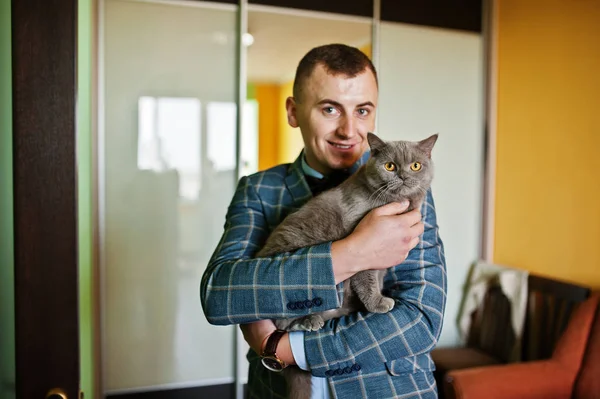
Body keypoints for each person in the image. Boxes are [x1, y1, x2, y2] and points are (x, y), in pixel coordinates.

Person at [201, 43, 447, 398]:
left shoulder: (406, 191)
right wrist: (349, 255)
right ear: (293, 111)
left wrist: (288, 349)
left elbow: (421, 319)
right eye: (330, 109)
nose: (350, 130)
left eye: (363, 110)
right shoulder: (259, 190)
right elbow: (219, 294)